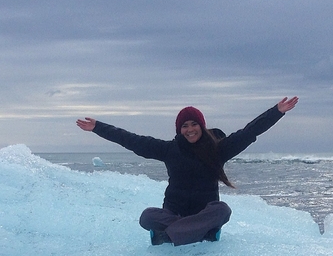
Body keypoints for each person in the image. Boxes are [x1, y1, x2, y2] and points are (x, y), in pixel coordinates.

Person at [76, 97, 299, 246]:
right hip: (174, 214)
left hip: (204, 213)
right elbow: (131, 140)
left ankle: (173, 234)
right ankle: (194, 233)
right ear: (179, 130)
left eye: (194, 124)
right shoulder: (168, 150)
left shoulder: (218, 149)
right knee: (146, 216)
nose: (190, 129)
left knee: (222, 210)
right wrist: (98, 127)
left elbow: (249, 132)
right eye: (185, 126)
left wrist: (276, 112)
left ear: (201, 126)